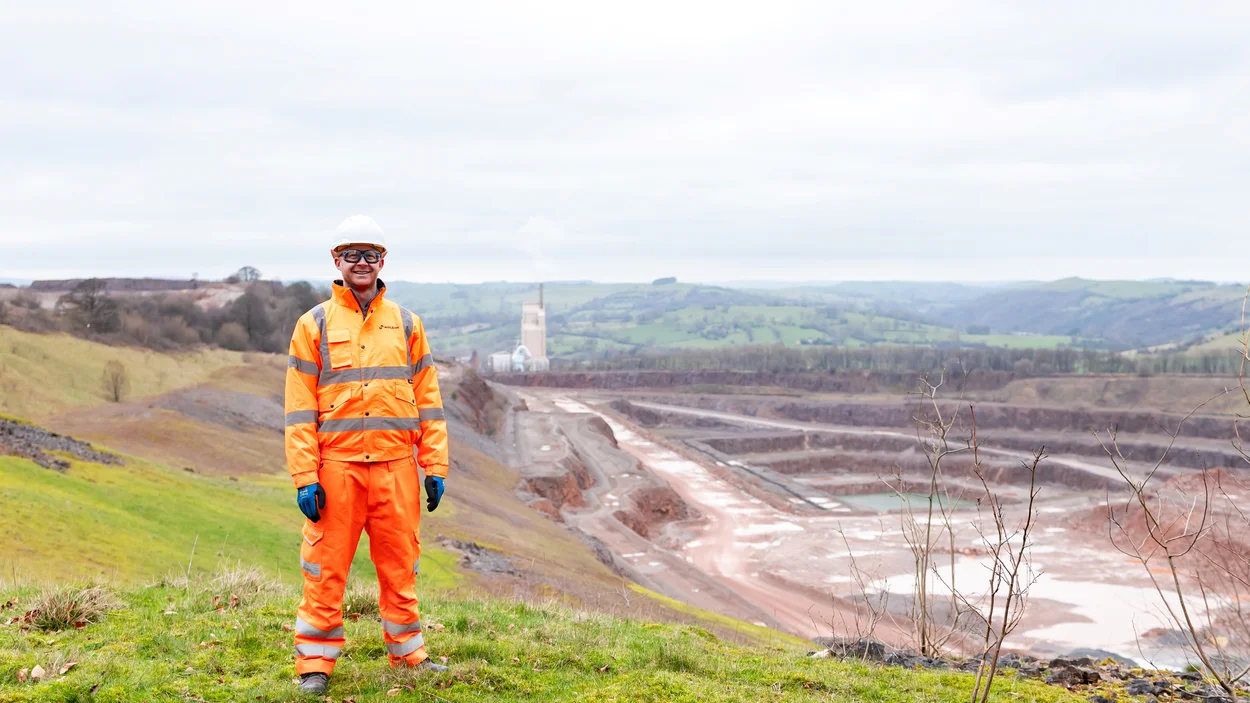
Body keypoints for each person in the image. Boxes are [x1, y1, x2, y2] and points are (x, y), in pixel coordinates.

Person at [283, 215, 450, 695]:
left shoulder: (406, 324)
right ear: (336, 260)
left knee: (402, 565)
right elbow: (298, 409)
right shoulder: (312, 324)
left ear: (383, 261)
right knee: (324, 566)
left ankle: (409, 655)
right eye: (352, 254)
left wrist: (434, 464)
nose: (361, 262)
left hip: (397, 468)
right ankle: (315, 662)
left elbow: (430, 401)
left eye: (370, 254)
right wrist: (304, 477)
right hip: (336, 470)